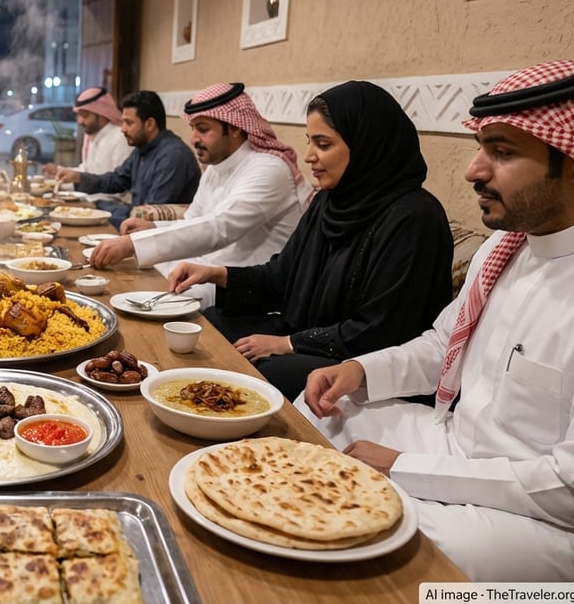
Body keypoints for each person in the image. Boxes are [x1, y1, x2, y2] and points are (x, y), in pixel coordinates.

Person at [298, 60, 574, 581]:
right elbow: (442, 345)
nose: (473, 170)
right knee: (314, 414)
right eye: (482, 148)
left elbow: (566, 489)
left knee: (381, 540)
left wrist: (406, 469)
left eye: (503, 152)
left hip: (540, 518)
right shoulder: (507, 246)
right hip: (451, 444)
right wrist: (359, 371)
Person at [167, 81, 453, 398]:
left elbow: (381, 329)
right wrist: (218, 274)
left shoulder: (413, 218)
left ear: (366, 145)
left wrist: (288, 344)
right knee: (213, 321)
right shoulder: (330, 202)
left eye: (323, 144)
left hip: (363, 363)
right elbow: (282, 276)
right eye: (309, 142)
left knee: (269, 374)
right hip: (309, 333)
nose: (308, 156)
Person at [89, 83, 310, 309]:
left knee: (132, 297)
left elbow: (218, 228)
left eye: (203, 129)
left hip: (244, 291)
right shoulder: (216, 167)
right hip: (203, 270)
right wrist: (152, 227)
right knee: (118, 282)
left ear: (234, 128)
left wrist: (133, 244)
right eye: (193, 128)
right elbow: (193, 220)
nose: (193, 138)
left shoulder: (268, 170)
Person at [52, 90, 199, 227]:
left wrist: (96, 212)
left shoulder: (172, 156)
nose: (122, 129)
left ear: (149, 124)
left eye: (129, 123)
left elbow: (150, 214)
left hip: (159, 240)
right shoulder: (142, 148)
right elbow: (117, 180)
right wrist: (79, 178)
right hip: (136, 223)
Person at [41, 86, 132, 180]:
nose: (80, 121)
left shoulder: (121, 138)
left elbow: (118, 185)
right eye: (79, 115)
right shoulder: (92, 136)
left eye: (85, 116)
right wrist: (59, 171)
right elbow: (87, 171)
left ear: (102, 114)